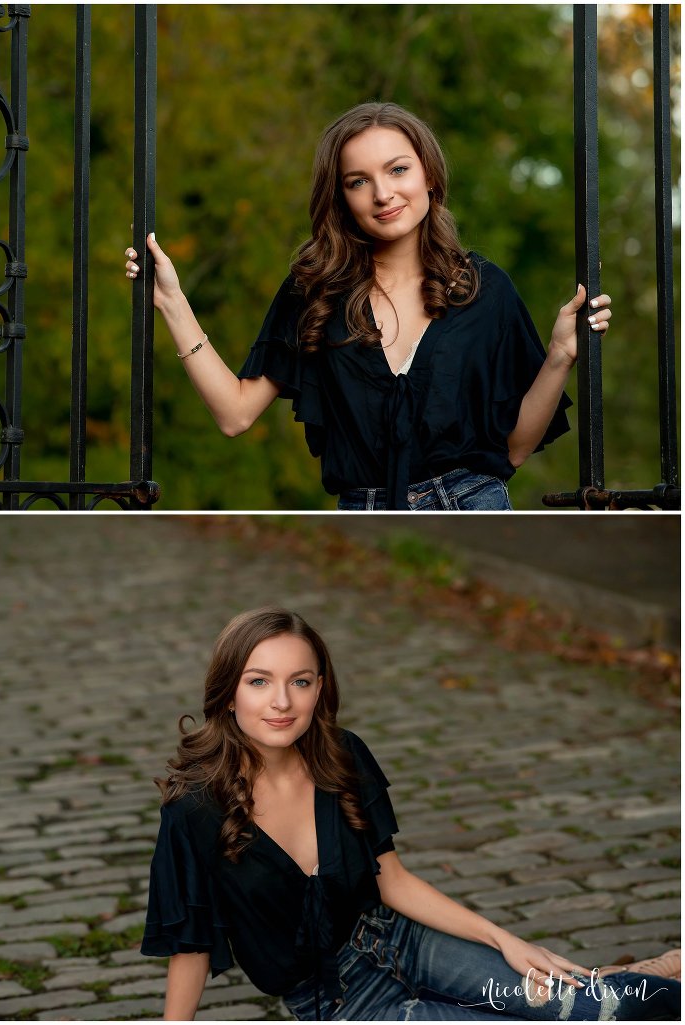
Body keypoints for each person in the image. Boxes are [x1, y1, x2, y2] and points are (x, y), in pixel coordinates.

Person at [140, 607, 679, 1021]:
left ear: (319, 688)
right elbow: (190, 947)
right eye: (259, 681)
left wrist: (503, 940)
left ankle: (626, 982)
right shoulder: (193, 807)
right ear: (229, 693)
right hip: (340, 1001)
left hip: (404, 938)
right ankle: (611, 976)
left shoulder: (341, 753)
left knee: (604, 1010)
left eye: (299, 681)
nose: (281, 701)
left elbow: (392, 880)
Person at [125, 102, 612, 511]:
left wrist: (559, 357)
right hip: (366, 509)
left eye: (398, 169)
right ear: (340, 198)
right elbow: (235, 414)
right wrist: (171, 299)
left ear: (429, 177)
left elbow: (516, 448)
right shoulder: (314, 291)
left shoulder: (485, 289)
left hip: (474, 505)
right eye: (358, 181)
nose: (383, 194)